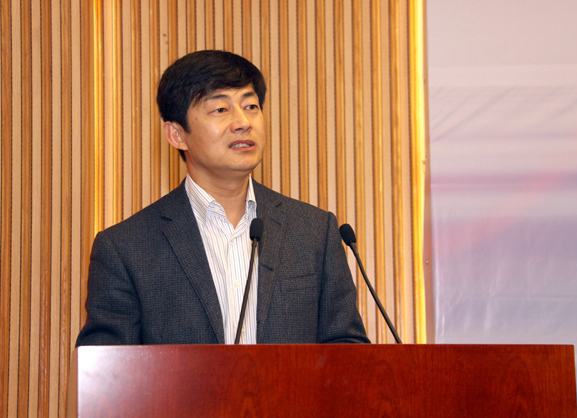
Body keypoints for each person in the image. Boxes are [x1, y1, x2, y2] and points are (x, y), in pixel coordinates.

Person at [76, 50, 369, 346]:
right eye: (220, 109)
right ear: (177, 134)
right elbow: (106, 369)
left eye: (251, 106)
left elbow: (347, 349)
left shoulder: (313, 232)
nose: (243, 122)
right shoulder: (126, 248)